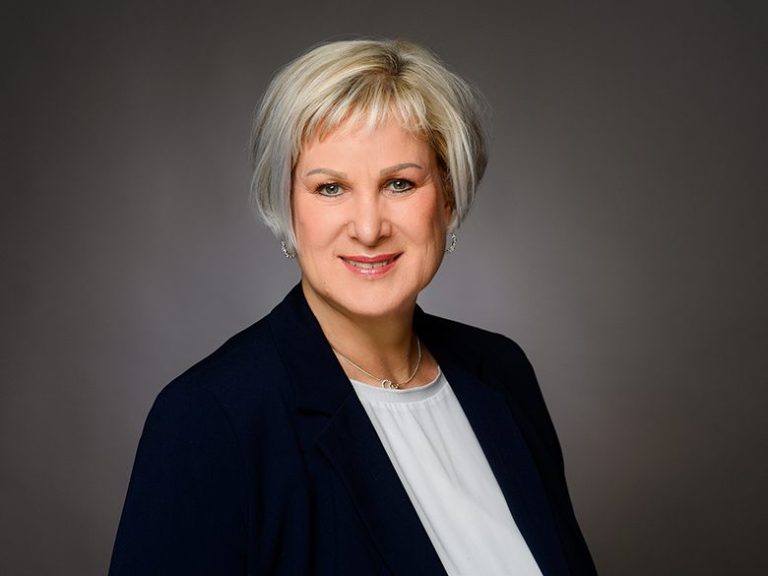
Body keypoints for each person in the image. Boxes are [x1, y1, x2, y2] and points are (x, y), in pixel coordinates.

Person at [109, 39, 597, 575]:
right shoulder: (209, 419)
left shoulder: (501, 375)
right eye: (331, 188)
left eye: (399, 183)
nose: (368, 228)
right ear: (287, 205)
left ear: (448, 197)